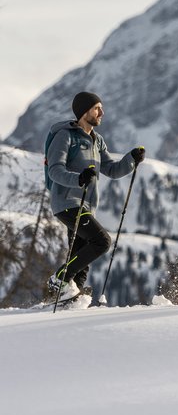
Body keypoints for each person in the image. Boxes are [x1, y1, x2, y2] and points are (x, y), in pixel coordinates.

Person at [45, 91, 146, 302]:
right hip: (67, 203)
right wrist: (78, 179)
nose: (102, 112)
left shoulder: (97, 140)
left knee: (81, 257)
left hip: (87, 206)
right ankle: (61, 278)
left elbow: (112, 169)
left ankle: (71, 298)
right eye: (97, 108)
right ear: (84, 112)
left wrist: (131, 159)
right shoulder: (65, 136)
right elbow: (55, 170)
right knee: (101, 241)